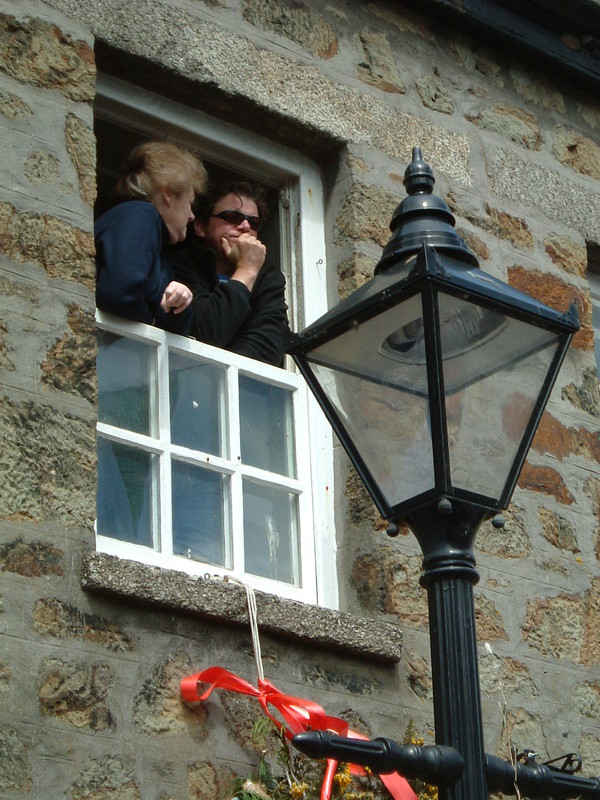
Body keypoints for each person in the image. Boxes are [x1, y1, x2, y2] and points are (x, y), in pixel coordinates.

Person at [166, 180, 289, 364]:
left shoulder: (269, 278)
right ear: (200, 227)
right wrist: (246, 270)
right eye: (233, 217)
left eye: (253, 222)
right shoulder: (182, 262)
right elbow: (207, 331)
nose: (245, 227)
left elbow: (267, 348)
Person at [95, 140, 207, 335]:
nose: (192, 216)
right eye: (190, 203)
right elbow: (120, 294)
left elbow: (174, 328)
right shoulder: (140, 215)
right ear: (168, 194)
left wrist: (179, 309)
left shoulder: (155, 241)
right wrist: (153, 324)